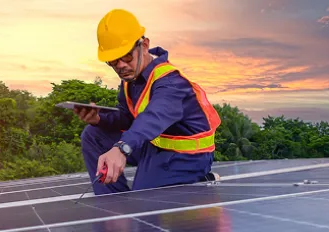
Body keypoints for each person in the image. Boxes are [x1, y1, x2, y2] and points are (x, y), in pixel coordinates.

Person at [73, 8, 222, 195]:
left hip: (186, 157)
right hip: (154, 145)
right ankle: (113, 206)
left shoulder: (170, 83)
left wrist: (121, 148)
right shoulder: (131, 80)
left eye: (126, 56)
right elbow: (128, 118)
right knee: (93, 134)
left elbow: (152, 118)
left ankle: (195, 179)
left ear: (144, 45)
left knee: (142, 201)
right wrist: (99, 119)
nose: (121, 66)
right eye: (113, 61)